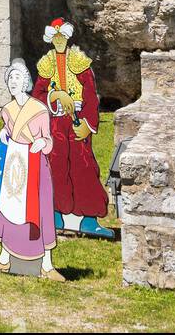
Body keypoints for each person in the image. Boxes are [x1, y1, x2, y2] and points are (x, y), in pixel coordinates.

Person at [32, 17, 114, 240]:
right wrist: (55, 95)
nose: (59, 41)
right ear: (51, 38)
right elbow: (37, 96)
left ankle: (88, 218)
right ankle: (55, 214)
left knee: (84, 166)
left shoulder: (79, 62)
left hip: (77, 121)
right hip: (55, 123)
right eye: (55, 37)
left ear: (67, 37)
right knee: (54, 166)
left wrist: (88, 126)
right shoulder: (46, 65)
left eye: (62, 37)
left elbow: (90, 96)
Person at [0, 58, 63, 281]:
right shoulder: (7, 110)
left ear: (26, 82)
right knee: (9, 207)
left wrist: (42, 144)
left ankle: (46, 264)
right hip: (14, 162)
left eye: (17, 77)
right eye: (10, 77)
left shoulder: (38, 110)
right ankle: (4, 258)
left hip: (35, 164)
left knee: (40, 211)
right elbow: (8, 131)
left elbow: (48, 140)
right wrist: (4, 133)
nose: (13, 81)